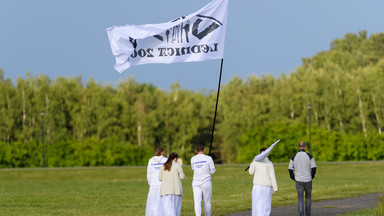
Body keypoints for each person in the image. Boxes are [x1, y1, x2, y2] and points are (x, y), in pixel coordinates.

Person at [288, 141, 317, 216]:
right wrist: (311, 176)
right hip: (308, 180)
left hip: (298, 180)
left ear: (298, 147)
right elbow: (314, 168)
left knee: (300, 199)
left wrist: (294, 178)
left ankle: (301, 214)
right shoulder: (309, 156)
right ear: (305, 147)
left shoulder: (294, 156)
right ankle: (308, 214)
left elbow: (290, 169)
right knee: (308, 197)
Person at [248, 147, 278, 216]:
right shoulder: (269, 163)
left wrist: (252, 163)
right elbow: (272, 176)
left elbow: (250, 172)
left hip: (257, 187)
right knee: (265, 206)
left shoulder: (256, 162)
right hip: (267, 188)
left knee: (256, 205)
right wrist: (275, 188)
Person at [190, 144, 216, 216]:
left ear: (196, 151)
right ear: (204, 150)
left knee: (197, 202)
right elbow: (213, 171)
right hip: (206, 182)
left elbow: (193, 169)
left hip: (196, 183)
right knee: (207, 202)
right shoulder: (209, 158)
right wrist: (208, 171)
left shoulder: (193, 159)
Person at [145, 147, 167, 216]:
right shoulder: (165, 160)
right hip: (163, 184)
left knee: (152, 203)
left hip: (153, 185)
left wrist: (150, 183)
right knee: (163, 203)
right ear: (162, 152)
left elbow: (149, 173)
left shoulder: (151, 160)